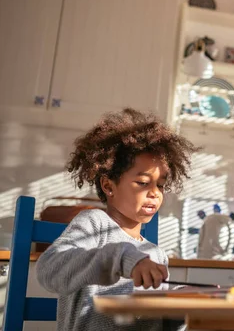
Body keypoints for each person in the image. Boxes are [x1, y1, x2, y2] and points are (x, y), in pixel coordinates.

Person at [37, 108, 197, 331]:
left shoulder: (156, 254)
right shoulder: (95, 225)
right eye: (143, 182)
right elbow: (49, 270)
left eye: (160, 185)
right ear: (108, 186)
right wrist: (123, 257)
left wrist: (182, 304)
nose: (155, 193)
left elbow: (154, 321)